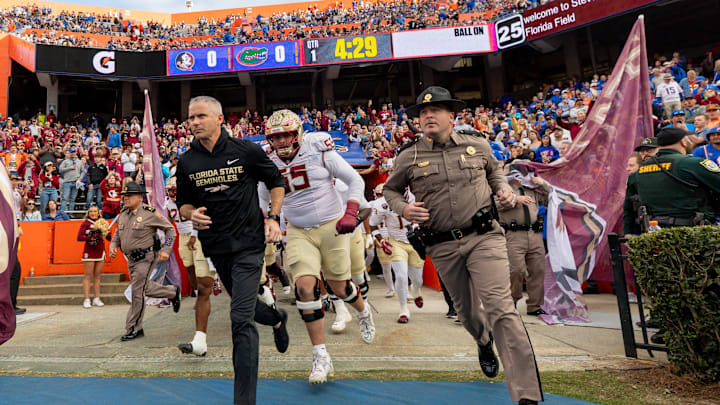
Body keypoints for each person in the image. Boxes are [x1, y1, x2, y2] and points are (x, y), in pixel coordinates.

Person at [383, 86, 542, 405]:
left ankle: (526, 394)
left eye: (436, 110)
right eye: (422, 112)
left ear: (451, 116)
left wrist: (503, 190)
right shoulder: (409, 155)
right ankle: (483, 341)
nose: (427, 115)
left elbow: (495, 173)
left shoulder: (477, 145)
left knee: (501, 308)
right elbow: (391, 191)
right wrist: (404, 208)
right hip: (442, 245)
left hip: (484, 237)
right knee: (469, 313)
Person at [176, 96, 288, 405]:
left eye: (200, 116)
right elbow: (182, 202)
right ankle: (278, 319)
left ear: (219, 118)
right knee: (247, 306)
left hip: (250, 244)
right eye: (190, 118)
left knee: (240, 319)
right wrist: (190, 214)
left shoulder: (246, 151)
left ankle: (244, 400)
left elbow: (277, 180)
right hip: (216, 247)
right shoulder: (187, 161)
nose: (194, 122)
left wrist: (274, 217)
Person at [259, 108, 375, 385]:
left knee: (340, 287)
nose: (282, 142)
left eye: (286, 135)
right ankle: (320, 355)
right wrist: (267, 222)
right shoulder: (267, 160)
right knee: (305, 287)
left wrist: (351, 210)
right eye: (276, 138)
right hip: (299, 230)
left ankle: (363, 311)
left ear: (297, 133)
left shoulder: (317, 147)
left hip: (332, 225)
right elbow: (262, 199)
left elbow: (354, 179)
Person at [627, 127, 720, 344]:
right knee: (699, 288)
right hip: (693, 236)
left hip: (657, 236)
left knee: (668, 285)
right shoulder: (691, 164)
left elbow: (629, 207)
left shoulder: (640, 172)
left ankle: (670, 332)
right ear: (685, 141)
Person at [109, 181, 181, 341]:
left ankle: (134, 327)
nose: (125, 199)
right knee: (143, 288)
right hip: (131, 260)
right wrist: (113, 246)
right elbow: (117, 236)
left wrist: (166, 249)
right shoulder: (123, 214)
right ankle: (172, 292)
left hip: (146, 257)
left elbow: (170, 230)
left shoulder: (150, 213)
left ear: (139, 197)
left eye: (129, 196)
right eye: (124, 196)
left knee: (137, 292)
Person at [369, 184, 425, 323]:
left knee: (418, 280)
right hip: (396, 242)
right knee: (400, 276)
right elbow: (372, 224)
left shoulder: (417, 198)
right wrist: (381, 240)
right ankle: (403, 309)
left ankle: (416, 290)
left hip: (415, 243)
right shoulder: (382, 203)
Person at [498, 168, 549, 316]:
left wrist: (543, 185)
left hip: (535, 234)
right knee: (516, 270)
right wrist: (515, 199)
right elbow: (493, 205)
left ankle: (534, 305)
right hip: (514, 235)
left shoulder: (532, 189)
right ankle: (511, 300)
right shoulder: (503, 187)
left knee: (538, 270)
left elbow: (550, 199)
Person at [77, 206, 109, 308]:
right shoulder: (86, 223)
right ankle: (86, 299)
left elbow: (109, 237)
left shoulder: (102, 222)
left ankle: (96, 298)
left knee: (97, 276)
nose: (93, 213)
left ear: (98, 212)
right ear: (88, 213)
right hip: (89, 251)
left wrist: (105, 232)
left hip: (100, 251)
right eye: (91, 211)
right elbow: (79, 237)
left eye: (95, 211)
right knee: (87, 275)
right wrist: (91, 236)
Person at [58, 147, 82, 212]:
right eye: (71, 152)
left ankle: (70, 213)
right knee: (65, 198)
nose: (72, 154)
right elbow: (60, 170)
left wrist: (80, 178)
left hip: (76, 182)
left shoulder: (79, 162)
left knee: (73, 199)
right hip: (67, 182)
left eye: (74, 152)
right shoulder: (65, 161)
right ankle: (62, 213)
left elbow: (82, 171)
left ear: (76, 153)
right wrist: (69, 168)